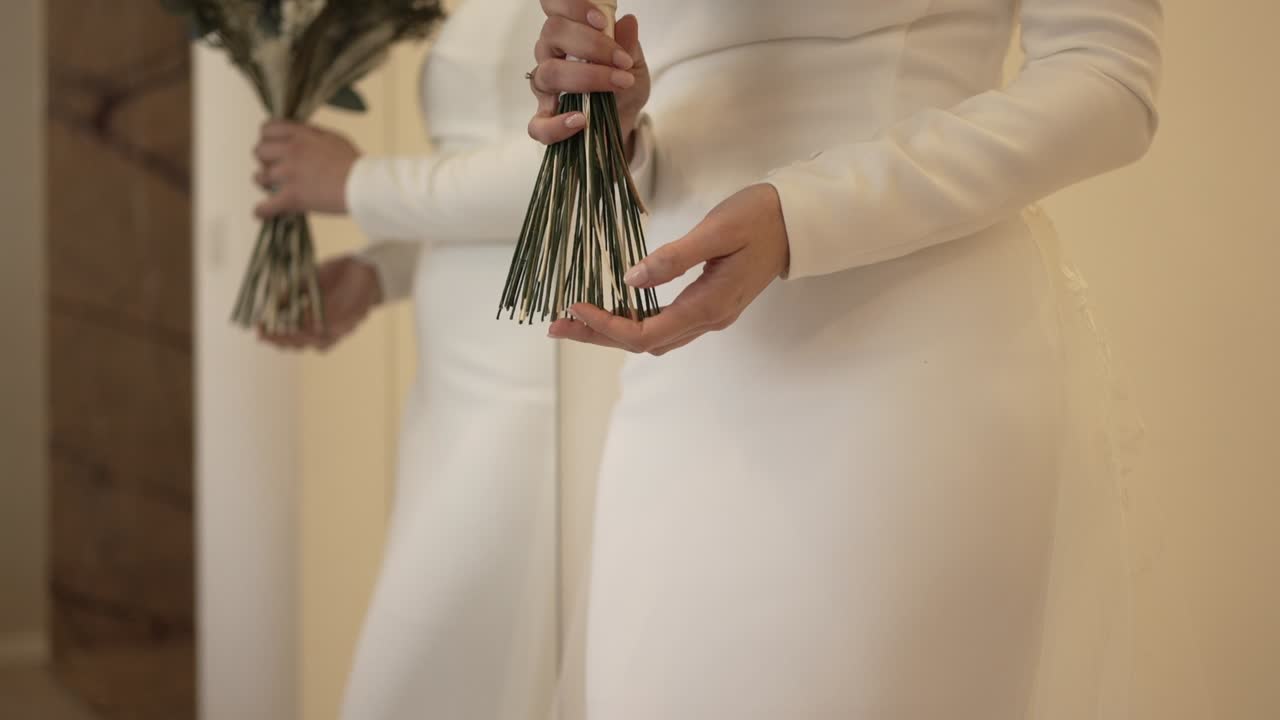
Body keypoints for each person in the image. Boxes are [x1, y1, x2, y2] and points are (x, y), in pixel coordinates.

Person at [528, 0, 1163, 717]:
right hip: (681, 381)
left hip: (905, 371)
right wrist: (612, 127)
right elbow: (679, 130)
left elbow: (1108, 77)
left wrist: (802, 212)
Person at [253, 1, 561, 718]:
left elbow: (591, 163)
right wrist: (379, 271)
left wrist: (360, 182)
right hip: (449, 384)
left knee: (419, 674)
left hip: (528, 378)